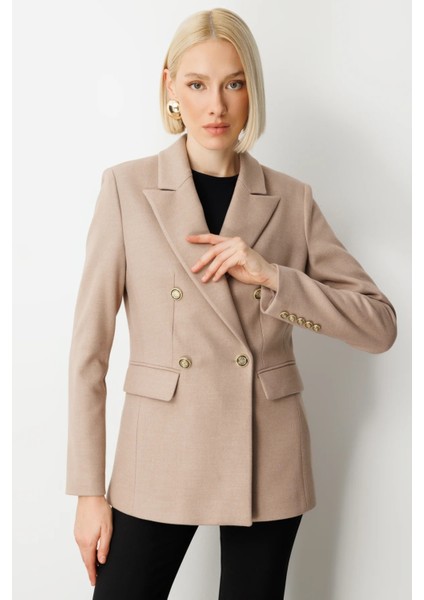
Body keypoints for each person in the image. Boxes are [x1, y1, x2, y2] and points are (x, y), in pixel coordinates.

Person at [66, 7, 397, 599]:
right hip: (158, 453)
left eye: (233, 84)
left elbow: (379, 326)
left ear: (252, 91)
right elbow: (89, 354)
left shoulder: (291, 200)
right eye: (197, 84)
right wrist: (89, 491)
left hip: (265, 455)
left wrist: (272, 277)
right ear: (170, 87)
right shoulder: (126, 189)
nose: (215, 106)